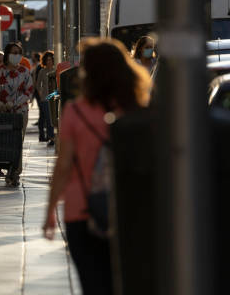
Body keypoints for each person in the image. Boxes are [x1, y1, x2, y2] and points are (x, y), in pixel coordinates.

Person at [43, 37, 151, 295]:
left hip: (82, 210)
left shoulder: (75, 112)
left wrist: (49, 211)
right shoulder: (139, 108)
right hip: (131, 211)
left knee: (93, 285)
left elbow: (64, 165)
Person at [0, 42, 34, 185]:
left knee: (18, 142)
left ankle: (14, 173)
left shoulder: (25, 72)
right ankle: (4, 167)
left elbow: (29, 91)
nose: (16, 55)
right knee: (4, 141)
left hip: (20, 113)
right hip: (2, 113)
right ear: (7, 54)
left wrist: (15, 103)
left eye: (19, 53)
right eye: (13, 52)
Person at [34, 51, 56, 145]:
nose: (49, 62)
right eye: (47, 60)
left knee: (54, 118)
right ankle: (51, 137)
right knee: (48, 118)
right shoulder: (42, 71)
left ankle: (53, 137)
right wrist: (41, 95)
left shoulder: (56, 70)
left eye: (50, 60)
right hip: (45, 99)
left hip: (55, 97)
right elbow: (38, 85)